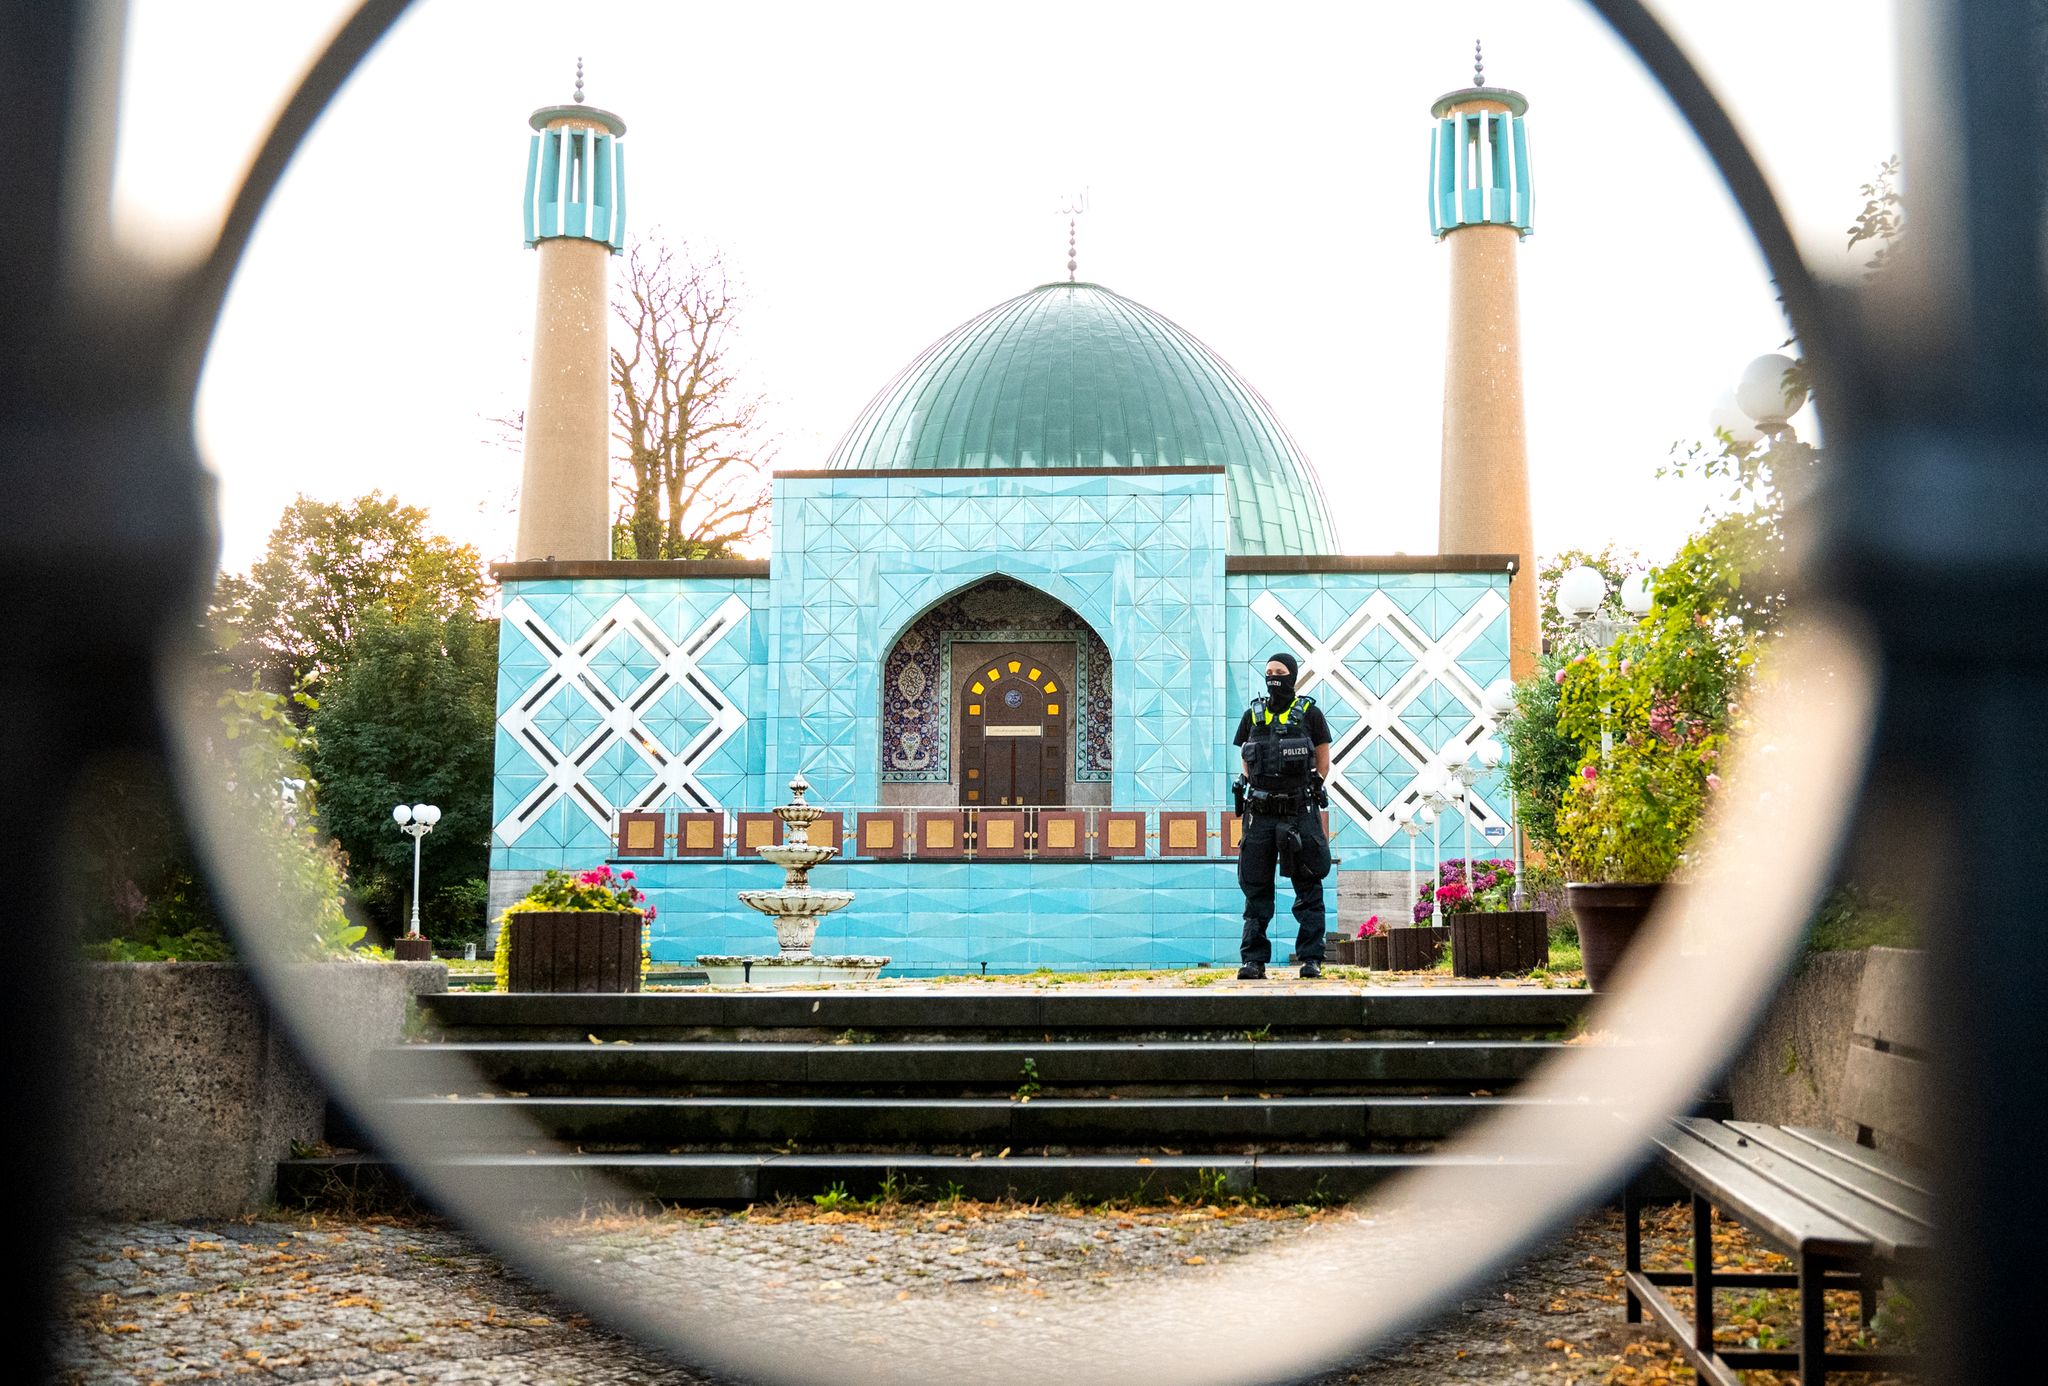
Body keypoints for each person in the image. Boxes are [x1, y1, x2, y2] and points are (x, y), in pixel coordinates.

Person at [1232, 652, 1333, 979]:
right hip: (1260, 813)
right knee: (1256, 887)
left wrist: (1313, 783)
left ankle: (1311, 958)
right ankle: (1253, 961)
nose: (1273, 677)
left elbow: (1323, 759)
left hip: (1297, 810)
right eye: (1269, 672)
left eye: (1280, 672)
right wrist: (1249, 784)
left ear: (1292, 676)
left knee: (1308, 884)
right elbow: (1245, 757)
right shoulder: (1253, 714)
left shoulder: (1310, 714)